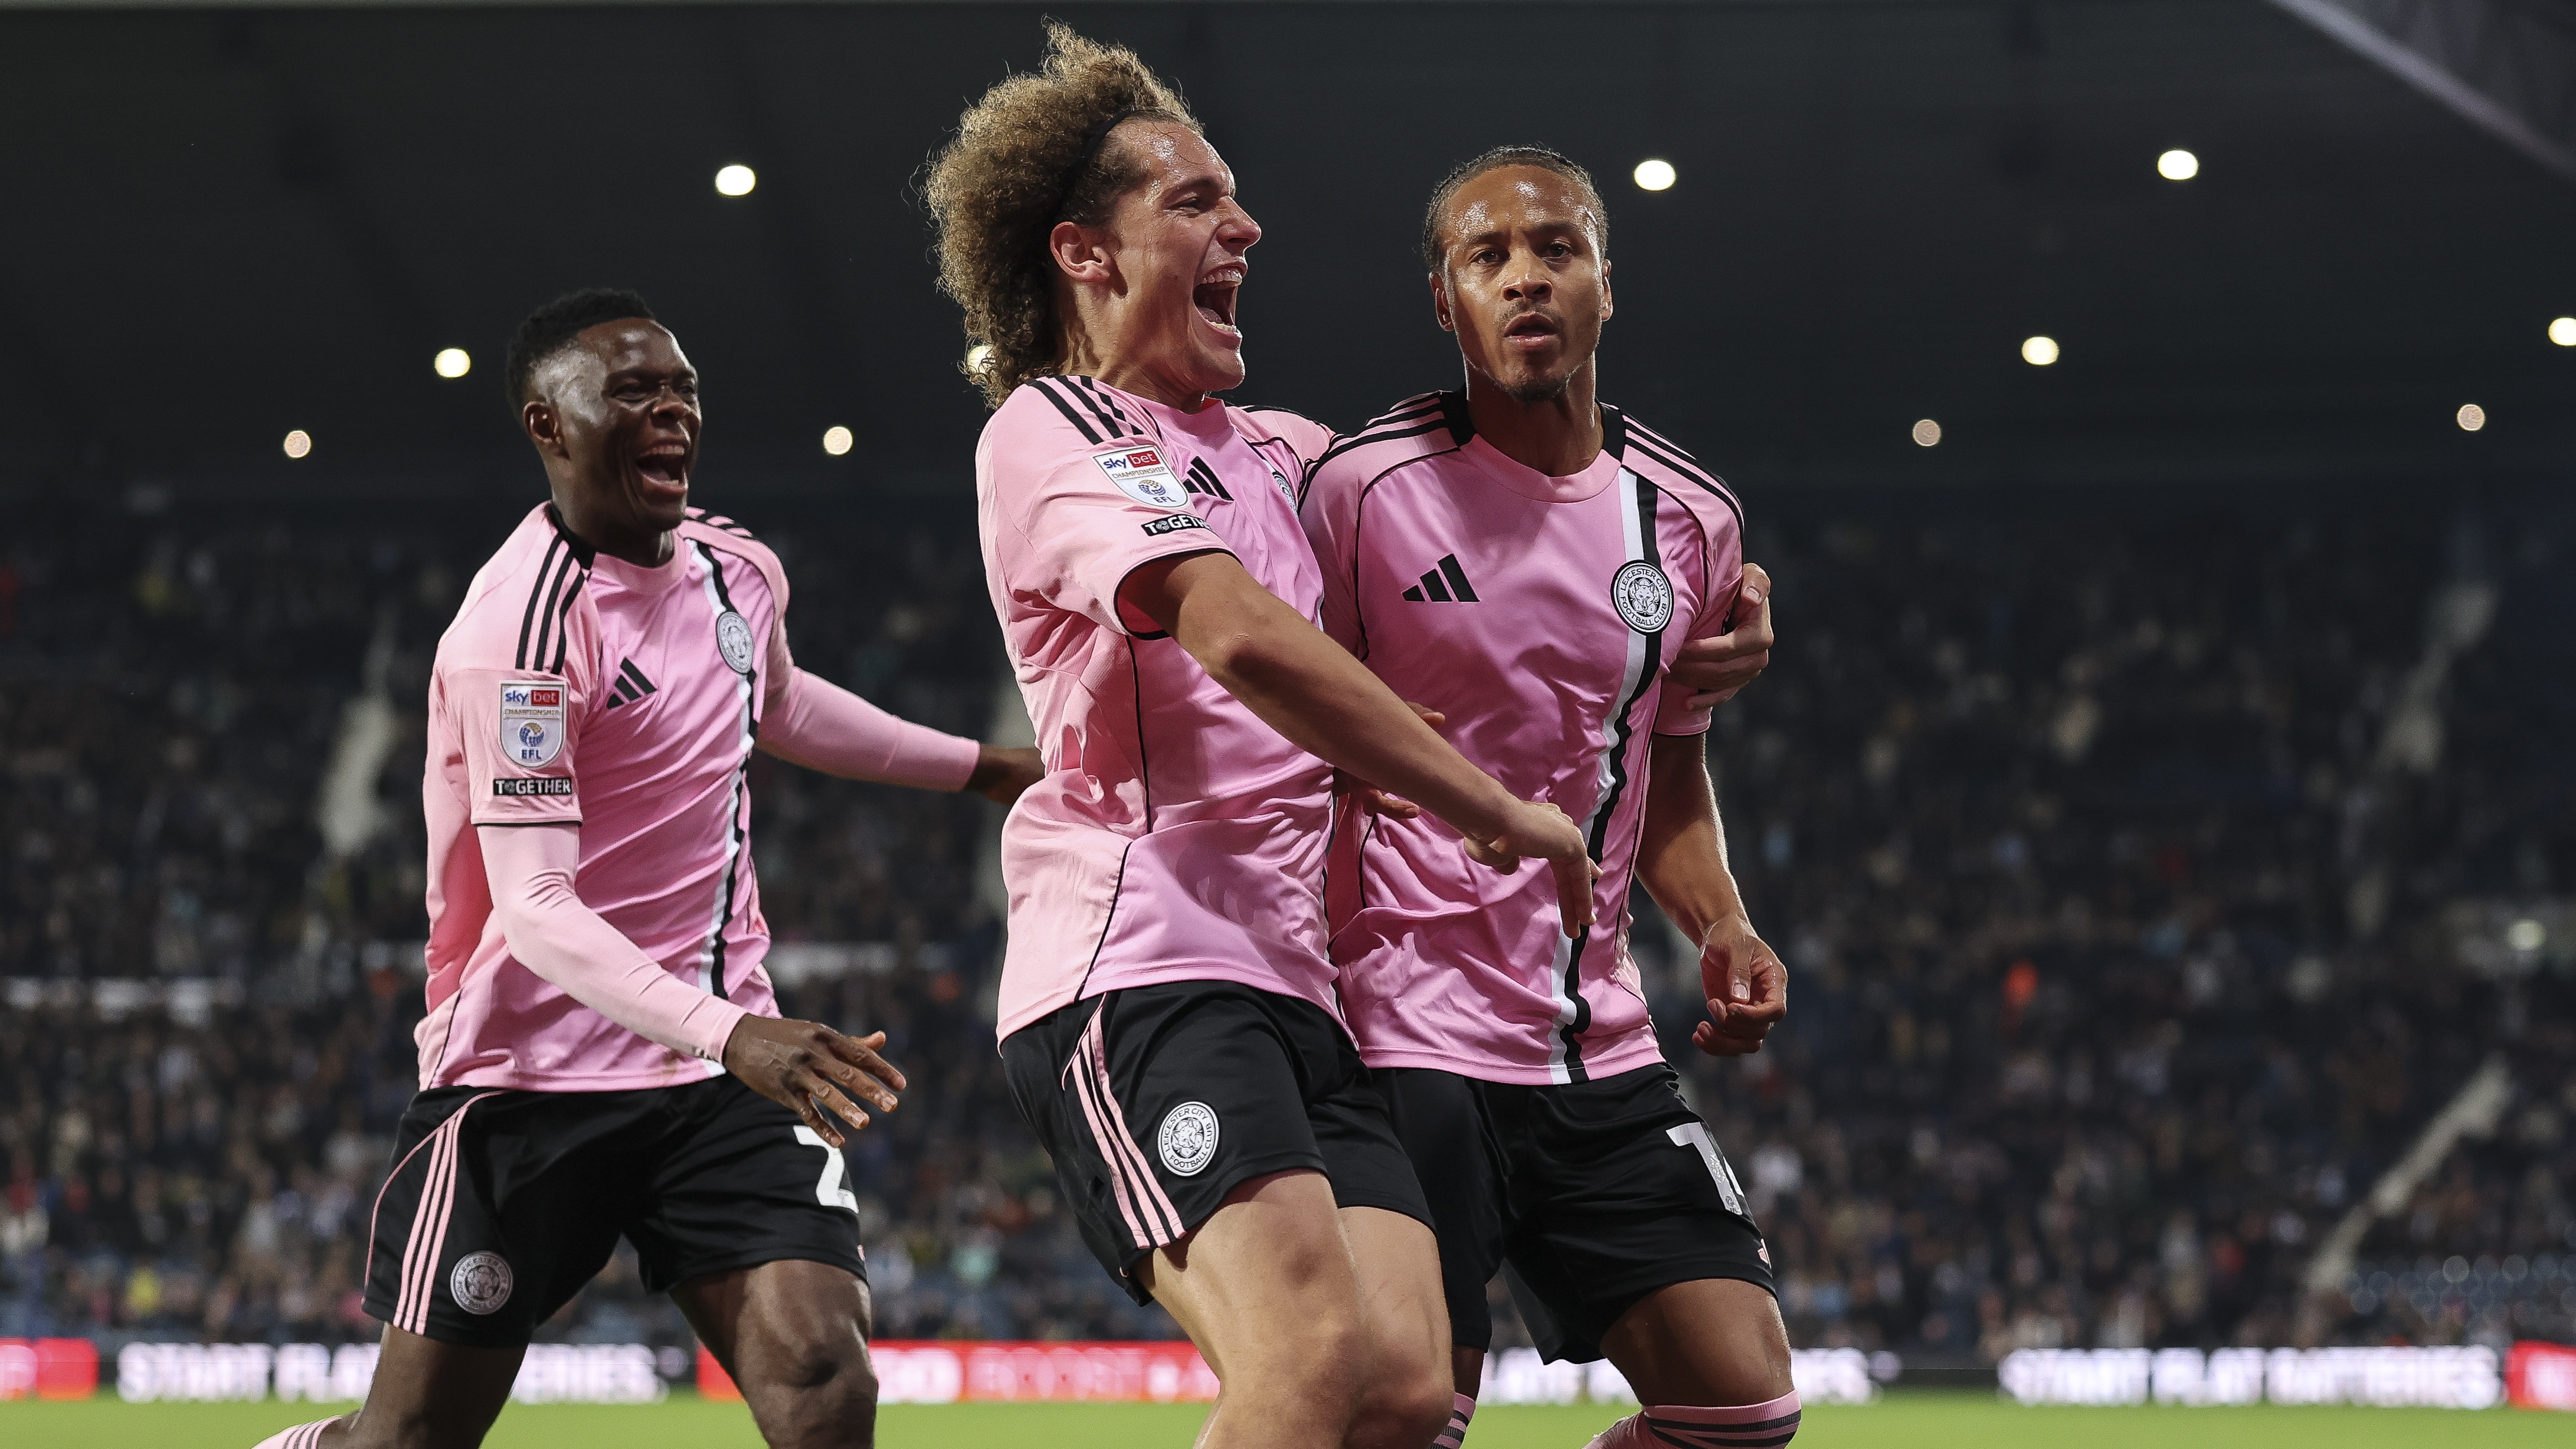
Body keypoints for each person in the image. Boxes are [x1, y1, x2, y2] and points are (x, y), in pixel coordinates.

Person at [922, 27, 1601, 1449]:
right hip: (1143, 967)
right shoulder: (1052, 430)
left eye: (1233, 200)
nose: (1243, 227)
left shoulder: (1286, 450)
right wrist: (1486, 803)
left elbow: (1507, 523)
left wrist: (1701, 595)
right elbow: (1229, 630)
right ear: (1083, 254)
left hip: (1302, 982)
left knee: (1405, 1388)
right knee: (1304, 1360)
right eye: (1192, 201)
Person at [253, 289, 1042, 1449]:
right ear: (548, 423)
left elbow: (779, 701)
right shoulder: (518, 635)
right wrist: (735, 1033)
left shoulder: (735, 567)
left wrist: (981, 767)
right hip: (528, 1081)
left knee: (824, 1377)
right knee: (411, 1437)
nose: (672, 412)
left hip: (711, 1081)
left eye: (682, 390)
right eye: (632, 392)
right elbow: (534, 908)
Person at [1298, 148, 1799, 1449]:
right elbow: (1281, 724)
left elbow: (1665, 767)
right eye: (1487, 256)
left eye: (1555, 247)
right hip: (1396, 1025)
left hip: (1591, 1033)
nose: (1525, 276)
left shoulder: (1689, 518)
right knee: (1404, 1415)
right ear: (1444, 300)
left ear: (1604, 284)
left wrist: (1721, 921)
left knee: (1742, 1408)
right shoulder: (1356, 492)